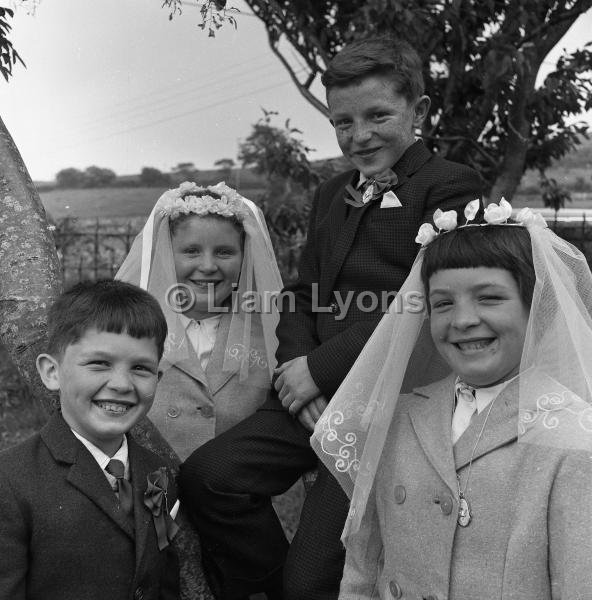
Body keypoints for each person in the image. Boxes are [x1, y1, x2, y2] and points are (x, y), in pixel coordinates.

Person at [179, 35, 483, 600]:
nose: (359, 135)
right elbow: (302, 292)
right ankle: (266, 586)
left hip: (391, 406)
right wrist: (297, 368)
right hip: (308, 394)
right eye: (342, 122)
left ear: (419, 111)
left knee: (314, 577)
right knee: (209, 479)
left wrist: (323, 368)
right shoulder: (331, 193)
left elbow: (425, 305)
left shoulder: (452, 187)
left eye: (377, 115)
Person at [312, 200, 592, 599]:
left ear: (537, 308)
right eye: (443, 303)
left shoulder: (574, 439)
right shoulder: (401, 416)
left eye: (489, 297)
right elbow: (365, 564)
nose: (462, 320)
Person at [0, 280, 180, 600]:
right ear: (52, 372)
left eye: (140, 368)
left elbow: (162, 574)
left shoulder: (158, 473)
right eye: (99, 363)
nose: (122, 384)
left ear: (158, 379)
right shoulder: (10, 481)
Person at [116, 181, 282, 461]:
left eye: (224, 252)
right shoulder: (132, 331)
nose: (207, 266)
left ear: (245, 257)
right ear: (167, 254)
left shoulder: (269, 333)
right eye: (191, 251)